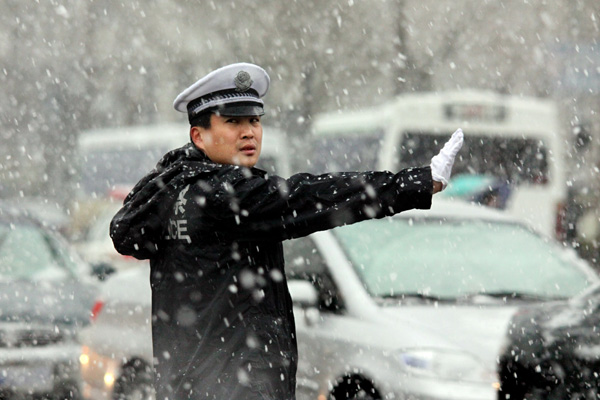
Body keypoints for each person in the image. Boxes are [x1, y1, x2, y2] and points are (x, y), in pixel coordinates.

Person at [110, 62, 463, 400]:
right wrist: (414, 183)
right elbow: (309, 197)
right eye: (233, 122)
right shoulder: (224, 194)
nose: (249, 131)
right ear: (198, 136)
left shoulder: (177, 189)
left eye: (254, 120)